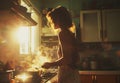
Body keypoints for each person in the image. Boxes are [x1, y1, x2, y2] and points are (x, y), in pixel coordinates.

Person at [42, 6, 80, 83]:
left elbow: (66, 59)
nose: (52, 22)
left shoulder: (63, 33)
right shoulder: (69, 32)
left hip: (68, 75)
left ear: (59, 19)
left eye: (53, 19)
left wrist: (50, 64)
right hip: (72, 74)